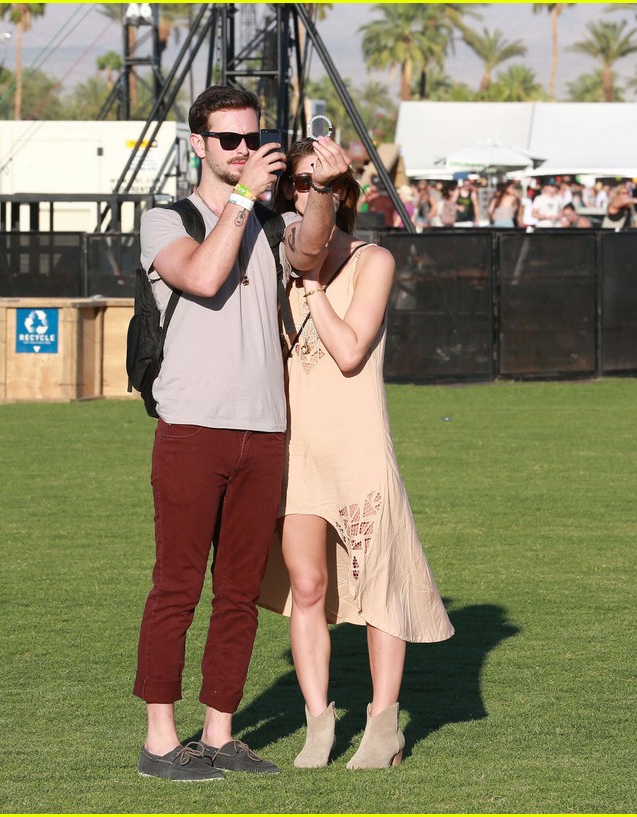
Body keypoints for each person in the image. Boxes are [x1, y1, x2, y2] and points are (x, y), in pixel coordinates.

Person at [132, 86, 345, 782]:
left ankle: (221, 731)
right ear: (198, 144)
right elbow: (201, 273)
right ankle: (161, 739)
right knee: (176, 587)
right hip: (193, 427)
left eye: (252, 139)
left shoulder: (262, 215)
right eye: (229, 140)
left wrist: (321, 190)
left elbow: (310, 254)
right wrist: (245, 198)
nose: (245, 151)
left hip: (265, 429)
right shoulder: (167, 218)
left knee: (239, 590)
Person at [260, 138, 454, 771]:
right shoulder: (278, 255)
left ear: (340, 194)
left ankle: (382, 722)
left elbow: (348, 352)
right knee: (307, 585)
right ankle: (320, 721)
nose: (300, 194)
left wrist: (313, 289)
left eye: (313, 184)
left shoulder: (374, 260)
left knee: (380, 587)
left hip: (359, 444)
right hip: (298, 449)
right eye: (294, 183)